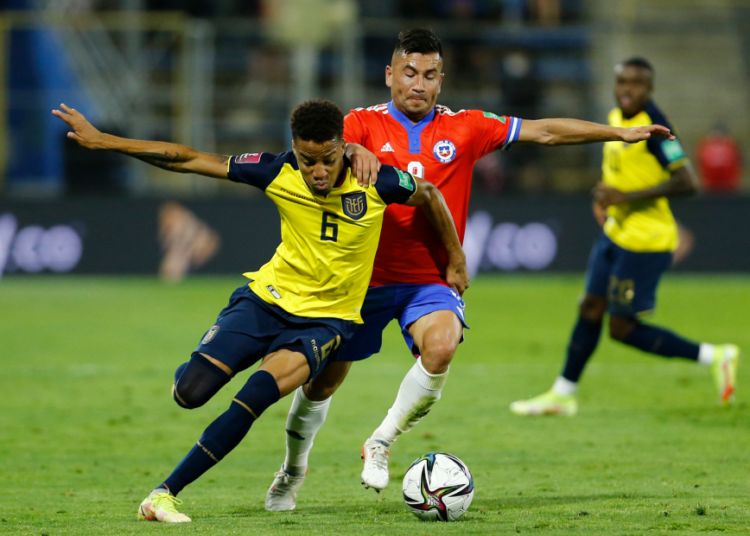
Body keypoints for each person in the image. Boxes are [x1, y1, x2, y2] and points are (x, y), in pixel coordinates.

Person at [266, 30, 676, 511]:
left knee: (441, 347)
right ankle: (292, 471)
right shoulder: (360, 123)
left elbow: (543, 131)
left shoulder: (467, 127)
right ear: (390, 76)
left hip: (430, 280)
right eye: (409, 73)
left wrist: (621, 133)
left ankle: (380, 441)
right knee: (321, 384)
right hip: (362, 279)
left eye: (429, 75)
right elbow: (324, 153)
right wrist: (356, 151)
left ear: (442, 81)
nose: (418, 84)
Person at [52, 99, 468, 523]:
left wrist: (455, 257)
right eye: (308, 162)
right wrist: (105, 141)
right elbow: (188, 159)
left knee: (253, 398)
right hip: (265, 301)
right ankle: (210, 359)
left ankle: (162, 495)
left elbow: (431, 194)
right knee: (189, 393)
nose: (318, 172)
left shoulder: (376, 181)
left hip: (326, 323)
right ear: (294, 149)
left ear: (344, 148)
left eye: (327, 160)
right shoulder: (278, 171)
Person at [510, 57, 741, 417]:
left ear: (649, 89)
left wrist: (625, 198)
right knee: (589, 306)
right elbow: (620, 170)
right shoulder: (617, 119)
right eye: (622, 82)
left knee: (621, 328)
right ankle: (563, 394)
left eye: (635, 83)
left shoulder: (656, 128)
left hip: (646, 241)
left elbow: (687, 182)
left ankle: (715, 356)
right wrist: (605, 195)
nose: (626, 89)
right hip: (616, 233)